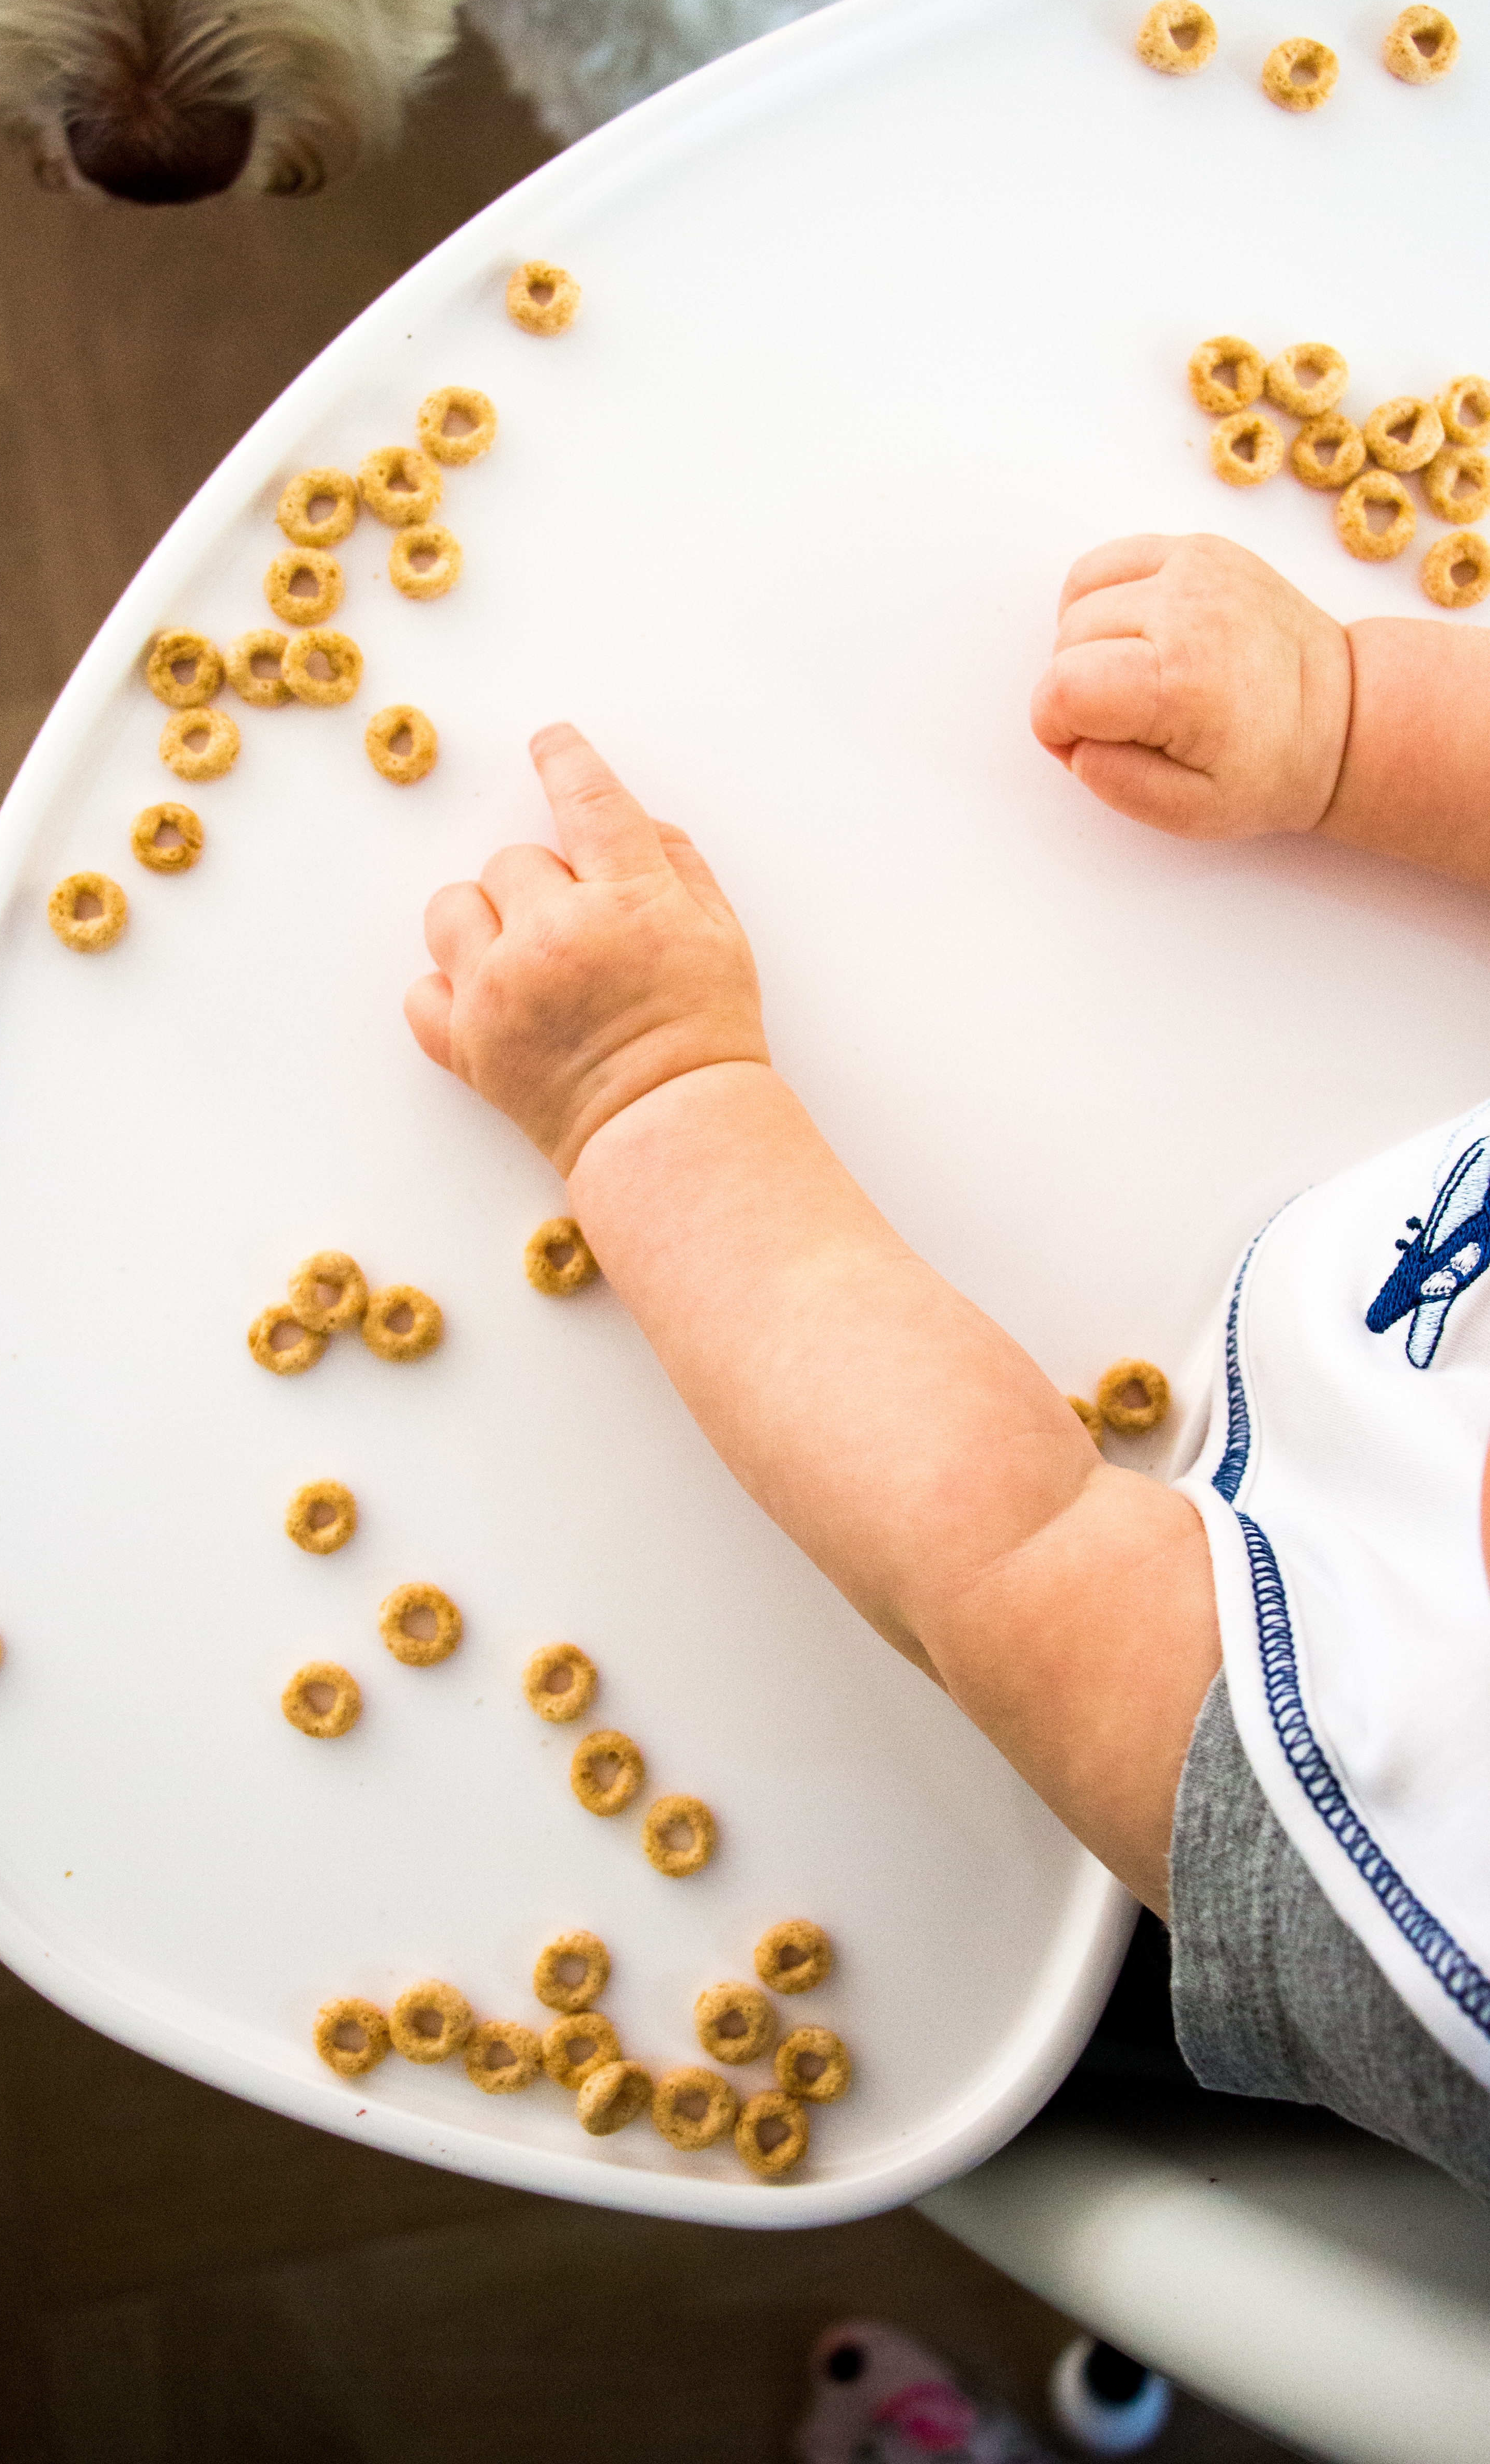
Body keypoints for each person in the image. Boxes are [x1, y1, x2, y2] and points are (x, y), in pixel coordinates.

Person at [405, 530, 1490, 2192]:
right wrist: (1350, 718)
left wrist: (647, 1091)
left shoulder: (1413, 1866)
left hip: (1127, 1751)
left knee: (1015, 2069)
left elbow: (1000, 1549)